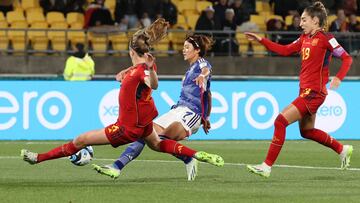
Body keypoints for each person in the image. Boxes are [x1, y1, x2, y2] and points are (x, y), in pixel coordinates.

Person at [20, 19, 224, 174]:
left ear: (131, 50)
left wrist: (149, 72)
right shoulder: (141, 67)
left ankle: (38, 158)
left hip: (126, 127)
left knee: (81, 139)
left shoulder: (145, 71)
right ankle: (193, 155)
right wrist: (129, 71)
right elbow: (143, 71)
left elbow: (154, 82)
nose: (183, 50)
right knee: (159, 144)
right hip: (145, 123)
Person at [244, 1, 353, 178]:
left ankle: (266, 166)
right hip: (305, 92)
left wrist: (339, 78)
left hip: (314, 93)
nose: (300, 23)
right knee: (307, 131)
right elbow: (285, 50)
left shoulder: (326, 38)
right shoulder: (304, 39)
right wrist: (261, 40)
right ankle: (342, 149)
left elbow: (347, 59)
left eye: (304, 20)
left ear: (315, 21)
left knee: (280, 121)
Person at [93, 33, 215, 181]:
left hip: (191, 114)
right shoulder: (190, 70)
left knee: (162, 140)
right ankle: (117, 166)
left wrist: (203, 76)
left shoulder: (202, 63)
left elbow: (206, 69)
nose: (183, 50)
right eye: (183, 47)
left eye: (187, 47)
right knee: (145, 133)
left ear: (197, 50)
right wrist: (207, 117)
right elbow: (208, 94)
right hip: (177, 109)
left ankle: (189, 157)